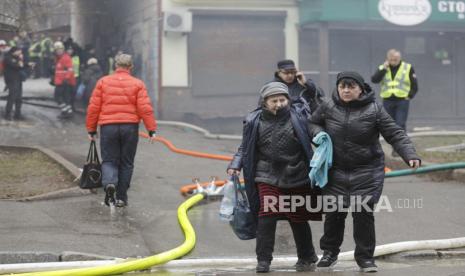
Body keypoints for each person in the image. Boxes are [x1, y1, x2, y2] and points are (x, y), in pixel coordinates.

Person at [309, 71, 421, 272]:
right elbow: (313, 122)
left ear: (361, 89)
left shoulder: (375, 110)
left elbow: (395, 133)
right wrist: (319, 134)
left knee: (363, 214)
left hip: (367, 171)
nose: (346, 90)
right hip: (334, 170)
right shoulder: (328, 106)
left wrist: (410, 154)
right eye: (342, 86)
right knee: (334, 213)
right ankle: (329, 253)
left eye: (351, 86)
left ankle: (365, 258)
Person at [227, 82, 321, 273]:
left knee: (297, 217)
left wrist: (322, 140)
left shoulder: (299, 116)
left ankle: (307, 256)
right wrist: (235, 164)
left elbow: (314, 131)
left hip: (296, 172)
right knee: (266, 216)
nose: (279, 104)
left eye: (282, 99)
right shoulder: (254, 120)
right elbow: (245, 146)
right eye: (274, 100)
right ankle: (263, 260)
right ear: (265, 102)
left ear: (288, 99)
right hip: (266, 174)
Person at [86, 54, 157, 207]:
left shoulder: (103, 82)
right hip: (129, 127)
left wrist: (91, 130)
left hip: (108, 127)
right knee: (126, 162)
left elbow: (93, 108)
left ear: (115, 66)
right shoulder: (138, 84)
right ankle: (121, 197)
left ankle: (110, 183)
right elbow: (145, 109)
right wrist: (151, 129)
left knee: (109, 160)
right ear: (131, 67)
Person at [371, 49, 418, 131]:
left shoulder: (407, 67)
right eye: (391, 59)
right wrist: (383, 69)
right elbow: (374, 80)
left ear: (399, 58)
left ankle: (402, 143)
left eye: (395, 59)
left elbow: (414, 85)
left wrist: (410, 96)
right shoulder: (383, 68)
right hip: (388, 100)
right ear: (387, 58)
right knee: (389, 124)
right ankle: (392, 142)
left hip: (402, 100)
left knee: (400, 124)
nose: (393, 61)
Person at [53, 41, 76, 118]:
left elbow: (70, 69)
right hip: (60, 81)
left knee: (58, 97)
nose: (59, 51)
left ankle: (65, 111)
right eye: (57, 50)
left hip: (64, 81)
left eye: (60, 49)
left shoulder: (65, 58)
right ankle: (68, 112)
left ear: (63, 49)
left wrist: (66, 78)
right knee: (65, 97)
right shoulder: (58, 58)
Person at [3, 46, 25, 120]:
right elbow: (15, 66)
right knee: (12, 97)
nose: (20, 53)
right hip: (11, 79)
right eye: (19, 51)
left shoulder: (17, 58)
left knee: (19, 98)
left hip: (18, 79)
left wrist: (28, 65)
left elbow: (21, 66)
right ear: (14, 51)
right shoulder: (8, 58)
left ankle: (17, 114)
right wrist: (20, 63)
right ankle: (7, 114)